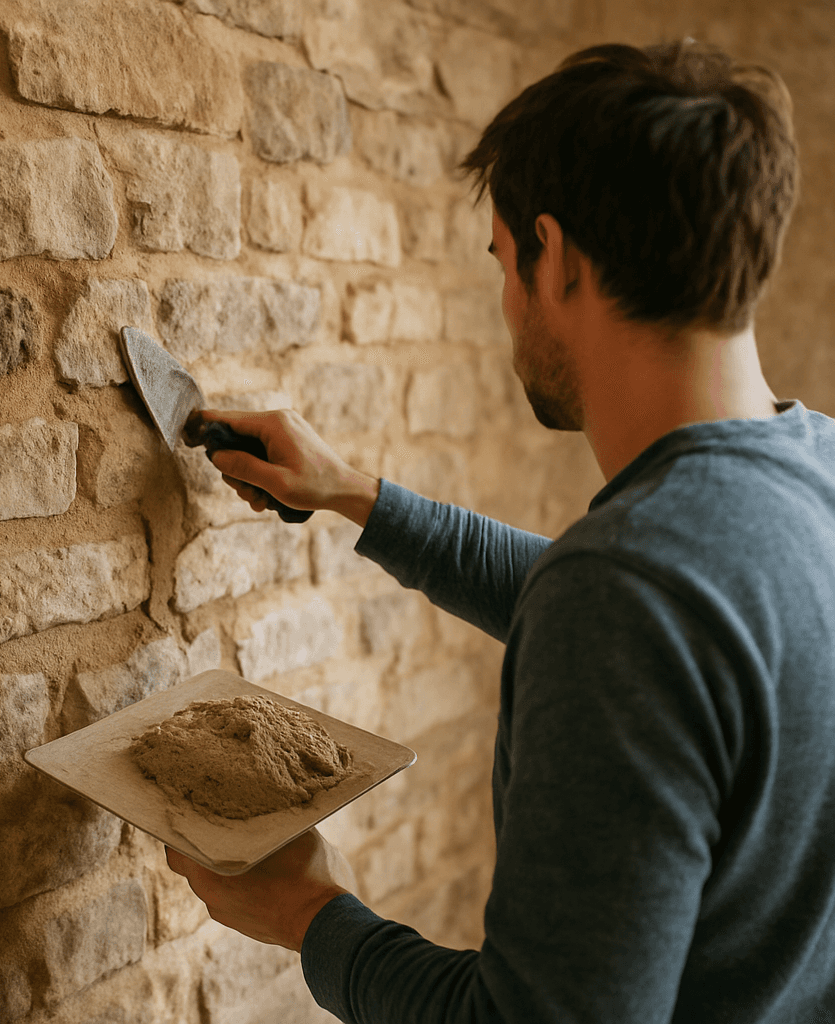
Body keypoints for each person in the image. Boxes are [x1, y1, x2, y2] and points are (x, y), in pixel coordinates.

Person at [165, 38, 835, 1023]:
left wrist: (313, 916)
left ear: (552, 257)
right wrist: (352, 493)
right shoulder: (813, 473)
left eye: (500, 261)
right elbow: (657, 631)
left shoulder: (627, 594)